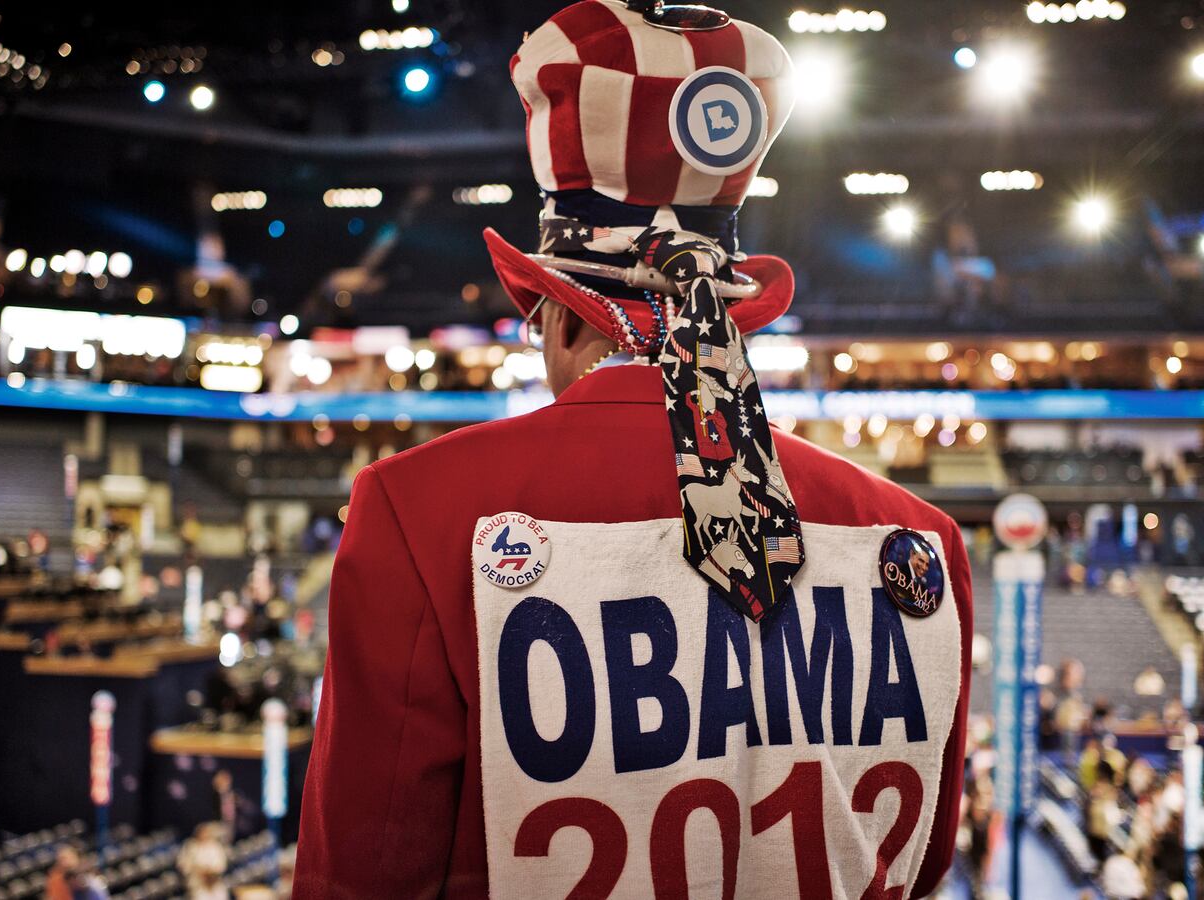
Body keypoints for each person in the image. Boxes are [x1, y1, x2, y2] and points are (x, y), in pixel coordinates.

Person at [295, 1, 973, 896]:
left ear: (558, 310)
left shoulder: (417, 512)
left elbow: (366, 878)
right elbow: (920, 866)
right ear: (729, 304)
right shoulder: (921, 541)